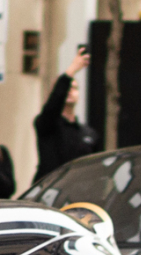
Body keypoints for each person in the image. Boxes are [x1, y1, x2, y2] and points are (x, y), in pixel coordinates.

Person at [33, 46, 99, 183]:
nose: (69, 91)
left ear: (79, 95)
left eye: (74, 88)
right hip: (49, 190)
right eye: (66, 87)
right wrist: (71, 71)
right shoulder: (46, 125)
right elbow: (52, 107)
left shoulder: (88, 133)